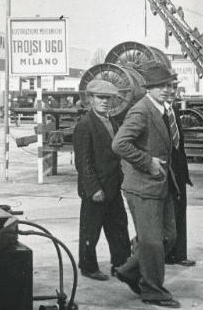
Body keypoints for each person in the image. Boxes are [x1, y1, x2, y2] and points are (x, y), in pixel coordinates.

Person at [112, 61, 181, 308]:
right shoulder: (142, 110)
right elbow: (119, 144)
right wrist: (147, 162)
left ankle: (130, 271)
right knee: (152, 243)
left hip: (161, 184)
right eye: (159, 86)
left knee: (168, 236)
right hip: (143, 186)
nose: (165, 90)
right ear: (149, 88)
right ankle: (153, 290)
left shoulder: (162, 109)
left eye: (168, 85)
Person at [73, 79, 131, 281]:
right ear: (90, 99)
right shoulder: (85, 125)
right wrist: (93, 189)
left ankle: (122, 265)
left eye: (109, 98)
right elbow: (83, 161)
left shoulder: (112, 121)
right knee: (91, 229)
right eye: (101, 98)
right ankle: (88, 266)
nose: (105, 102)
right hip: (96, 189)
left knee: (119, 227)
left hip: (113, 186)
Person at [164, 77, 195, 267]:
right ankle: (165, 255)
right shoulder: (154, 112)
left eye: (174, 87)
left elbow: (179, 147)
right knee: (164, 217)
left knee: (179, 213)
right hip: (163, 172)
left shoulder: (173, 110)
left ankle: (179, 255)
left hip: (178, 172)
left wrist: (185, 174)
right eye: (168, 87)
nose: (172, 90)